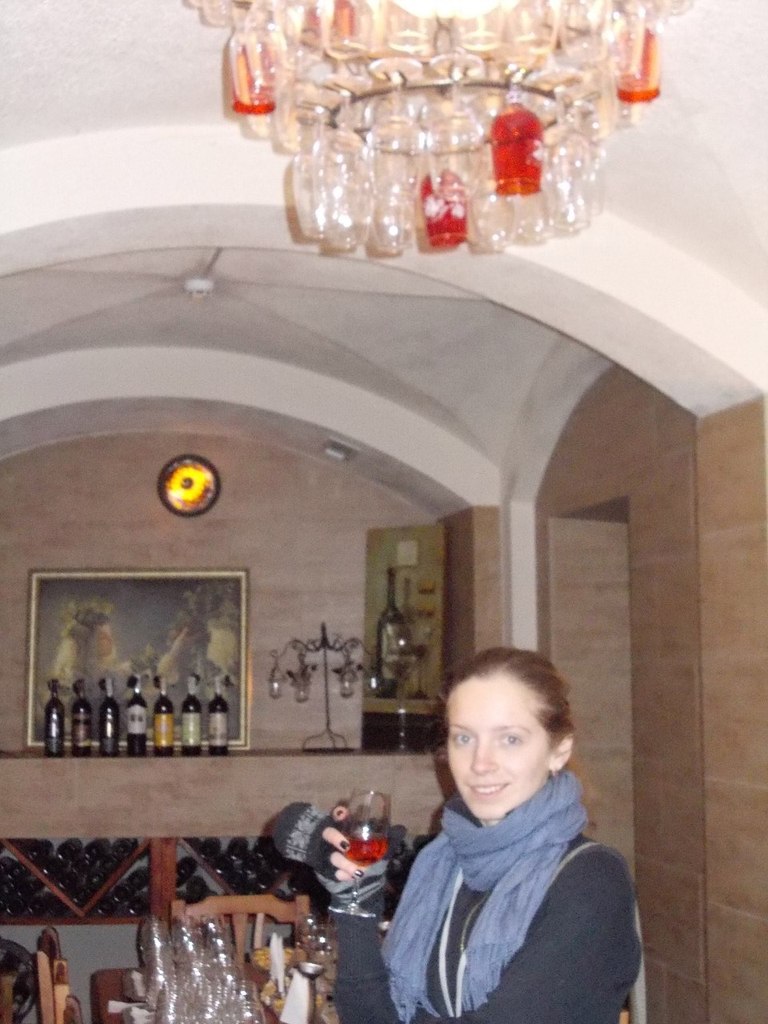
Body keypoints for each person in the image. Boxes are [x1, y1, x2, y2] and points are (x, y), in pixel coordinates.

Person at [274, 647, 641, 1024]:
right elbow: (372, 1016)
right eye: (464, 738)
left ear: (558, 750)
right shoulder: (445, 864)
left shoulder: (591, 880)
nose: (480, 763)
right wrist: (355, 907)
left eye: (509, 739)